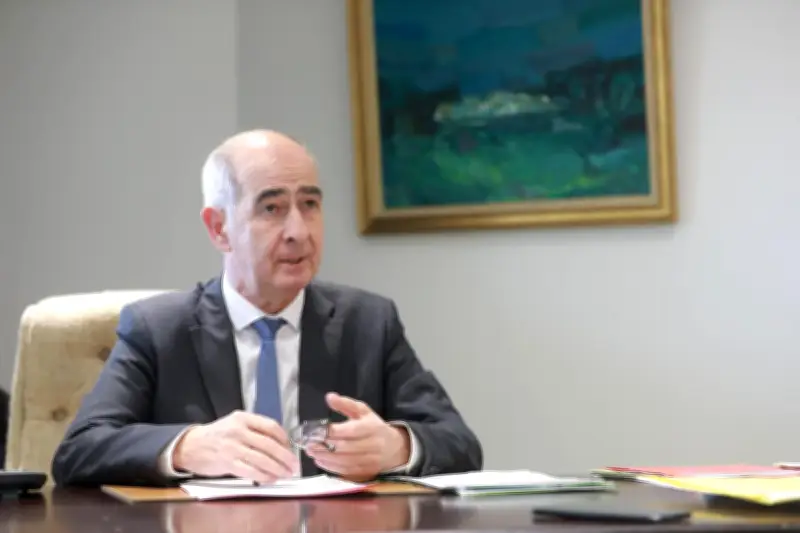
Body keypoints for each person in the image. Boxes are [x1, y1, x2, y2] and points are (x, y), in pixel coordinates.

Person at [51, 130, 482, 486]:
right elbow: (79, 451)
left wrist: (396, 447)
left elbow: (459, 443)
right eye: (272, 208)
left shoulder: (368, 322)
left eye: (309, 205)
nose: (299, 231)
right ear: (219, 229)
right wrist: (187, 447)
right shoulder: (159, 329)